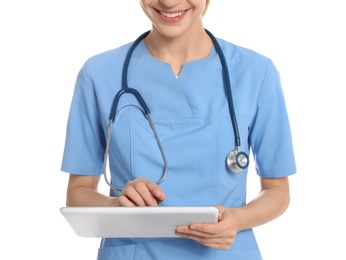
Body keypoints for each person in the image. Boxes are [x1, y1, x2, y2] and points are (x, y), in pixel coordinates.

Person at [61, 0, 296, 259]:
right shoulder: (98, 73)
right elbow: (78, 192)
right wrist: (118, 205)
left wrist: (238, 219)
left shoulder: (257, 72)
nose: (169, 2)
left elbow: (277, 190)